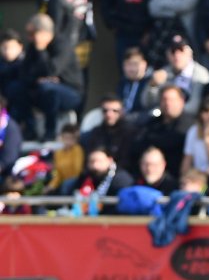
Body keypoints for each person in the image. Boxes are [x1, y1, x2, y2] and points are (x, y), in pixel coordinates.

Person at [11, 13, 83, 141]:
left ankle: (50, 132)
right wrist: (38, 79)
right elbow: (24, 73)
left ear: (43, 33)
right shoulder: (32, 47)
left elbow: (52, 69)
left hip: (70, 92)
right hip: (41, 88)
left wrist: (41, 50)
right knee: (17, 88)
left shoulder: (63, 44)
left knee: (48, 89)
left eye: (32, 34)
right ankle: (30, 129)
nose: (29, 38)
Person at [131, 84, 196, 179]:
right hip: (152, 174)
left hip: (178, 175)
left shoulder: (190, 123)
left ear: (181, 101)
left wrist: (153, 142)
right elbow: (140, 143)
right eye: (164, 100)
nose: (168, 104)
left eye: (172, 100)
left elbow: (172, 141)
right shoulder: (153, 122)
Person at [142, 34, 209, 116]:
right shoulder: (164, 72)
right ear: (167, 55)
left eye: (181, 50)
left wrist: (169, 109)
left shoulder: (201, 74)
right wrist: (152, 85)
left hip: (191, 120)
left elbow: (195, 107)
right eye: (173, 51)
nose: (177, 55)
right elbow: (146, 102)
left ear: (190, 53)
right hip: (165, 119)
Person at [82, 94, 138, 173]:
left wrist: (108, 165)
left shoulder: (130, 132)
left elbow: (128, 161)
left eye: (115, 111)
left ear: (122, 112)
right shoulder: (96, 132)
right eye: (105, 110)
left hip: (119, 173)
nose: (109, 114)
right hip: (96, 172)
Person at [72, 146, 134, 215]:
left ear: (110, 160)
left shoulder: (121, 179)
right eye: (91, 162)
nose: (95, 165)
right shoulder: (84, 178)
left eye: (99, 161)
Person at [44, 123, 84, 195]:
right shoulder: (58, 153)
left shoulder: (77, 150)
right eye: (66, 138)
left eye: (71, 138)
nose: (68, 141)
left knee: (66, 185)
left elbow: (77, 171)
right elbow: (57, 173)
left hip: (75, 182)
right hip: (63, 182)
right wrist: (51, 185)